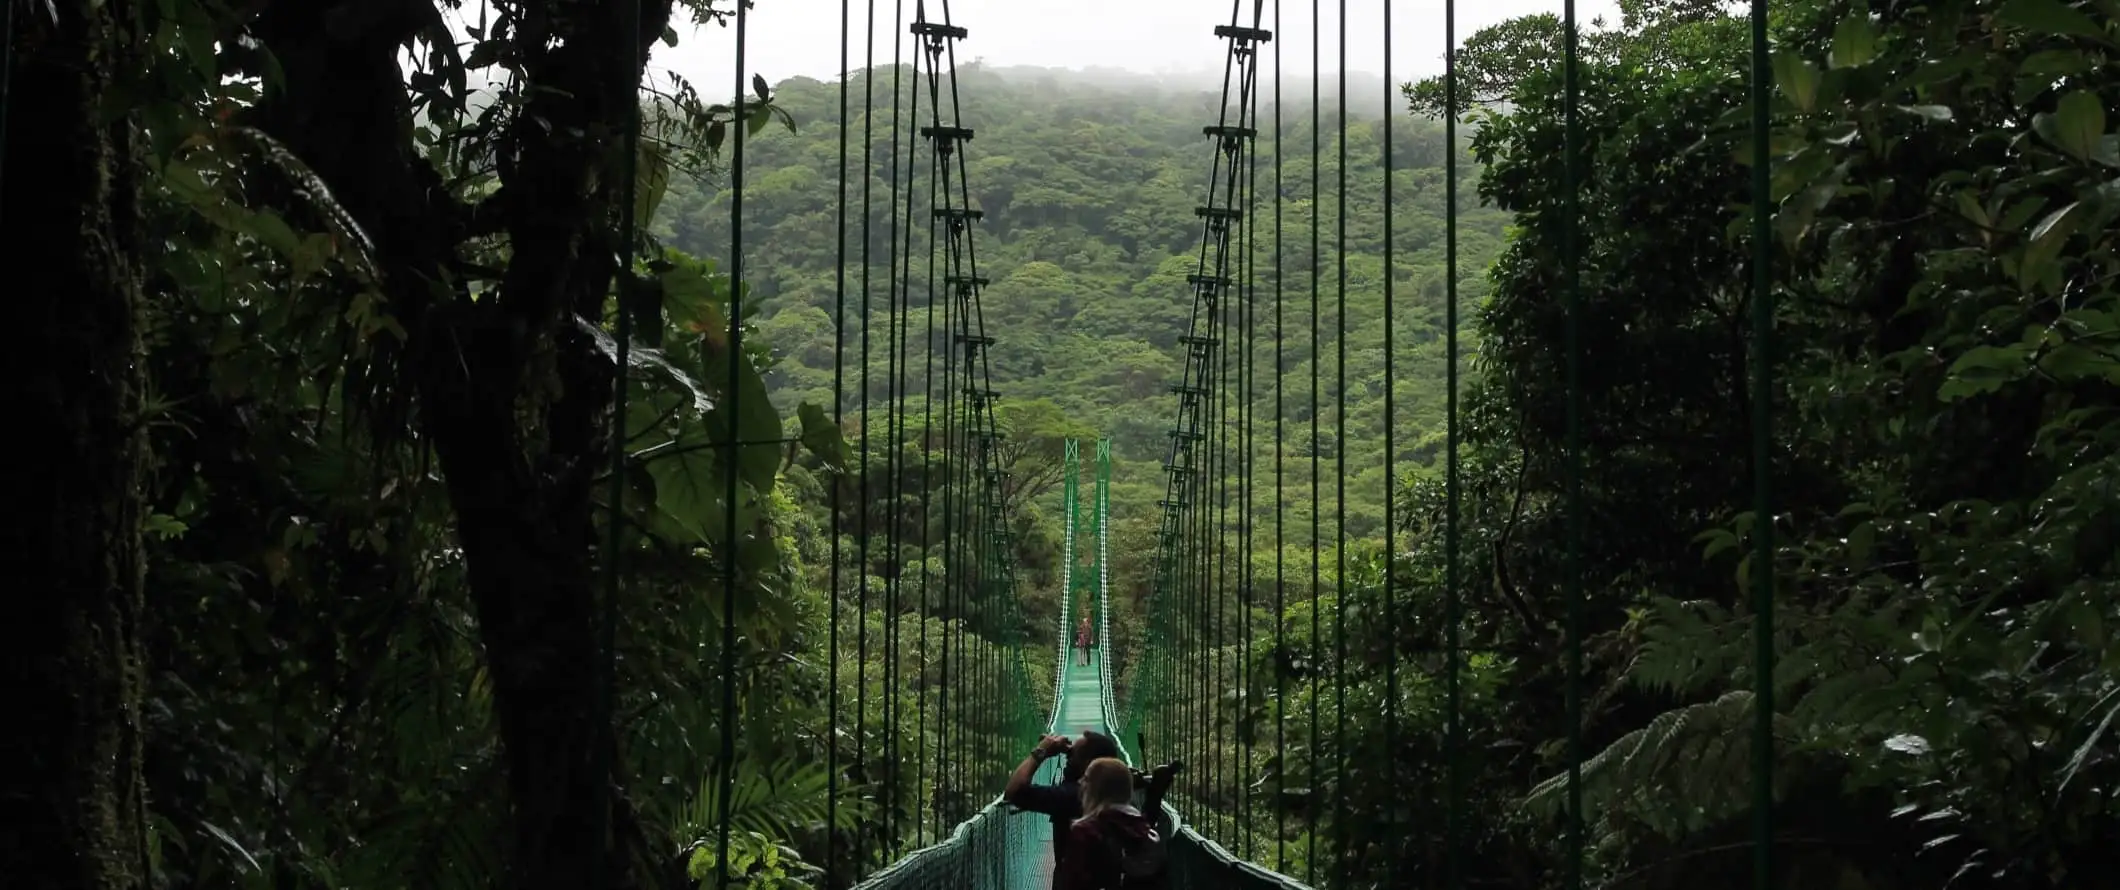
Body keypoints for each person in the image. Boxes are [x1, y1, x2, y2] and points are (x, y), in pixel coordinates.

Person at [1003, 730, 1121, 881]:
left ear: (1087, 764)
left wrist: (1042, 751)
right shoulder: (1113, 791)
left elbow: (1014, 792)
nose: (1067, 758)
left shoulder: (1073, 796)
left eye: (1071, 755)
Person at [1055, 758, 1165, 890]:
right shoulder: (1145, 831)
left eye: (1086, 778)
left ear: (1096, 788)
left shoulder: (1085, 832)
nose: (1080, 782)